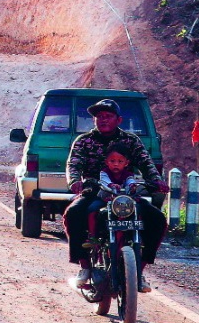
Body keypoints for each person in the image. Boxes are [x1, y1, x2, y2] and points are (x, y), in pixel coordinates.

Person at [64, 98, 167, 293]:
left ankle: (140, 271)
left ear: (118, 120)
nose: (103, 120)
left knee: (157, 219)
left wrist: (157, 181)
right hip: (95, 191)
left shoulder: (131, 140)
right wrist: (75, 181)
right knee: (73, 214)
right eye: (99, 117)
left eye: (108, 116)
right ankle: (85, 266)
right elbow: (74, 165)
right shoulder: (84, 141)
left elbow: (147, 164)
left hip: (126, 193)